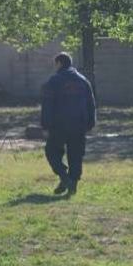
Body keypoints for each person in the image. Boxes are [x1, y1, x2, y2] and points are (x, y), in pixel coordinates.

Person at [40, 52, 97, 195]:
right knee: (76, 155)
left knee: (51, 152)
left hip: (59, 124)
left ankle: (64, 178)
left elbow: (47, 104)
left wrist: (45, 125)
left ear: (59, 63)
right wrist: (91, 123)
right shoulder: (84, 81)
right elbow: (91, 104)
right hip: (79, 124)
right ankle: (73, 186)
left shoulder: (54, 81)